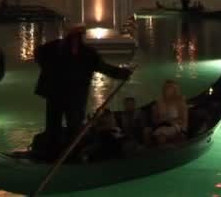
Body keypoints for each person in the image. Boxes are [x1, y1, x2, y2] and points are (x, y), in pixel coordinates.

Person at [33, 23, 133, 161]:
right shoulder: (55, 48)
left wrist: (123, 74)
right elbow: (38, 54)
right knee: (53, 127)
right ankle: (52, 156)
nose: (75, 39)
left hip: (75, 98)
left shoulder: (87, 54)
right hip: (56, 95)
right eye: (73, 35)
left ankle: (72, 157)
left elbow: (103, 67)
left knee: (74, 128)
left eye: (77, 35)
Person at [151, 80, 189, 145]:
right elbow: (155, 120)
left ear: (174, 90)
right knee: (156, 134)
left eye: (169, 88)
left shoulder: (180, 101)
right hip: (161, 125)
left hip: (175, 126)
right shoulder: (159, 102)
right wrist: (156, 114)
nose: (166, 90)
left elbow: (184, 120)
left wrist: (169, 120)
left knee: (162, 137)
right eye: (165, 87)